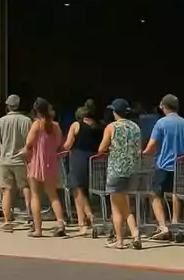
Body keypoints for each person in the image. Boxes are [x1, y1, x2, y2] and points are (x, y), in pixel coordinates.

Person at [143, 94, 184, 241]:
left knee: (154, 194)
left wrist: (144, 153)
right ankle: (176, 223)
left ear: (164, 107)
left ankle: (163, 226)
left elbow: (152, 145)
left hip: (164, 165)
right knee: (176, 193)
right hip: (181, 165)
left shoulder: (161, 123)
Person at [99, 99, 142, 250]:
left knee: (116, 209)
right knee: (126, 206)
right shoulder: (135, 127)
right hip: (132, 171)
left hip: (116, 170)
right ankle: (135, 233)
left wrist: (109, 150)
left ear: (115, 112)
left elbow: (101, 148)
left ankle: (119, 241)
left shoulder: (112, 127)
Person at [0, 95, 33, 231]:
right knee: (26, 187)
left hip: (5, 160)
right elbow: (30, 141)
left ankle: (8, 220)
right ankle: (31, 215)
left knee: (6, 190)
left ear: (8, 106)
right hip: (21, 160)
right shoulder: (27, 121)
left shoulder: (1, 121)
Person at [25, 98, 67, 237]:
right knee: (53, 195)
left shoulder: (37, 125)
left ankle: (38, 229)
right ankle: (61, 223)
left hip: (37, 162)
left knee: (35, 196)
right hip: (51, 163)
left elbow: (29, 143)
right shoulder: (55, 126)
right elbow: (59, 143)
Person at [63, 103, 102, 236]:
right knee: (83, 191)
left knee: (77, 189)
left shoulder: (76, 125)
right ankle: (84, 221)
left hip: (78, 158)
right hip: (94, 159)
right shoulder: (99, 127)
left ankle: (87, 218)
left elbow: (68, 144)